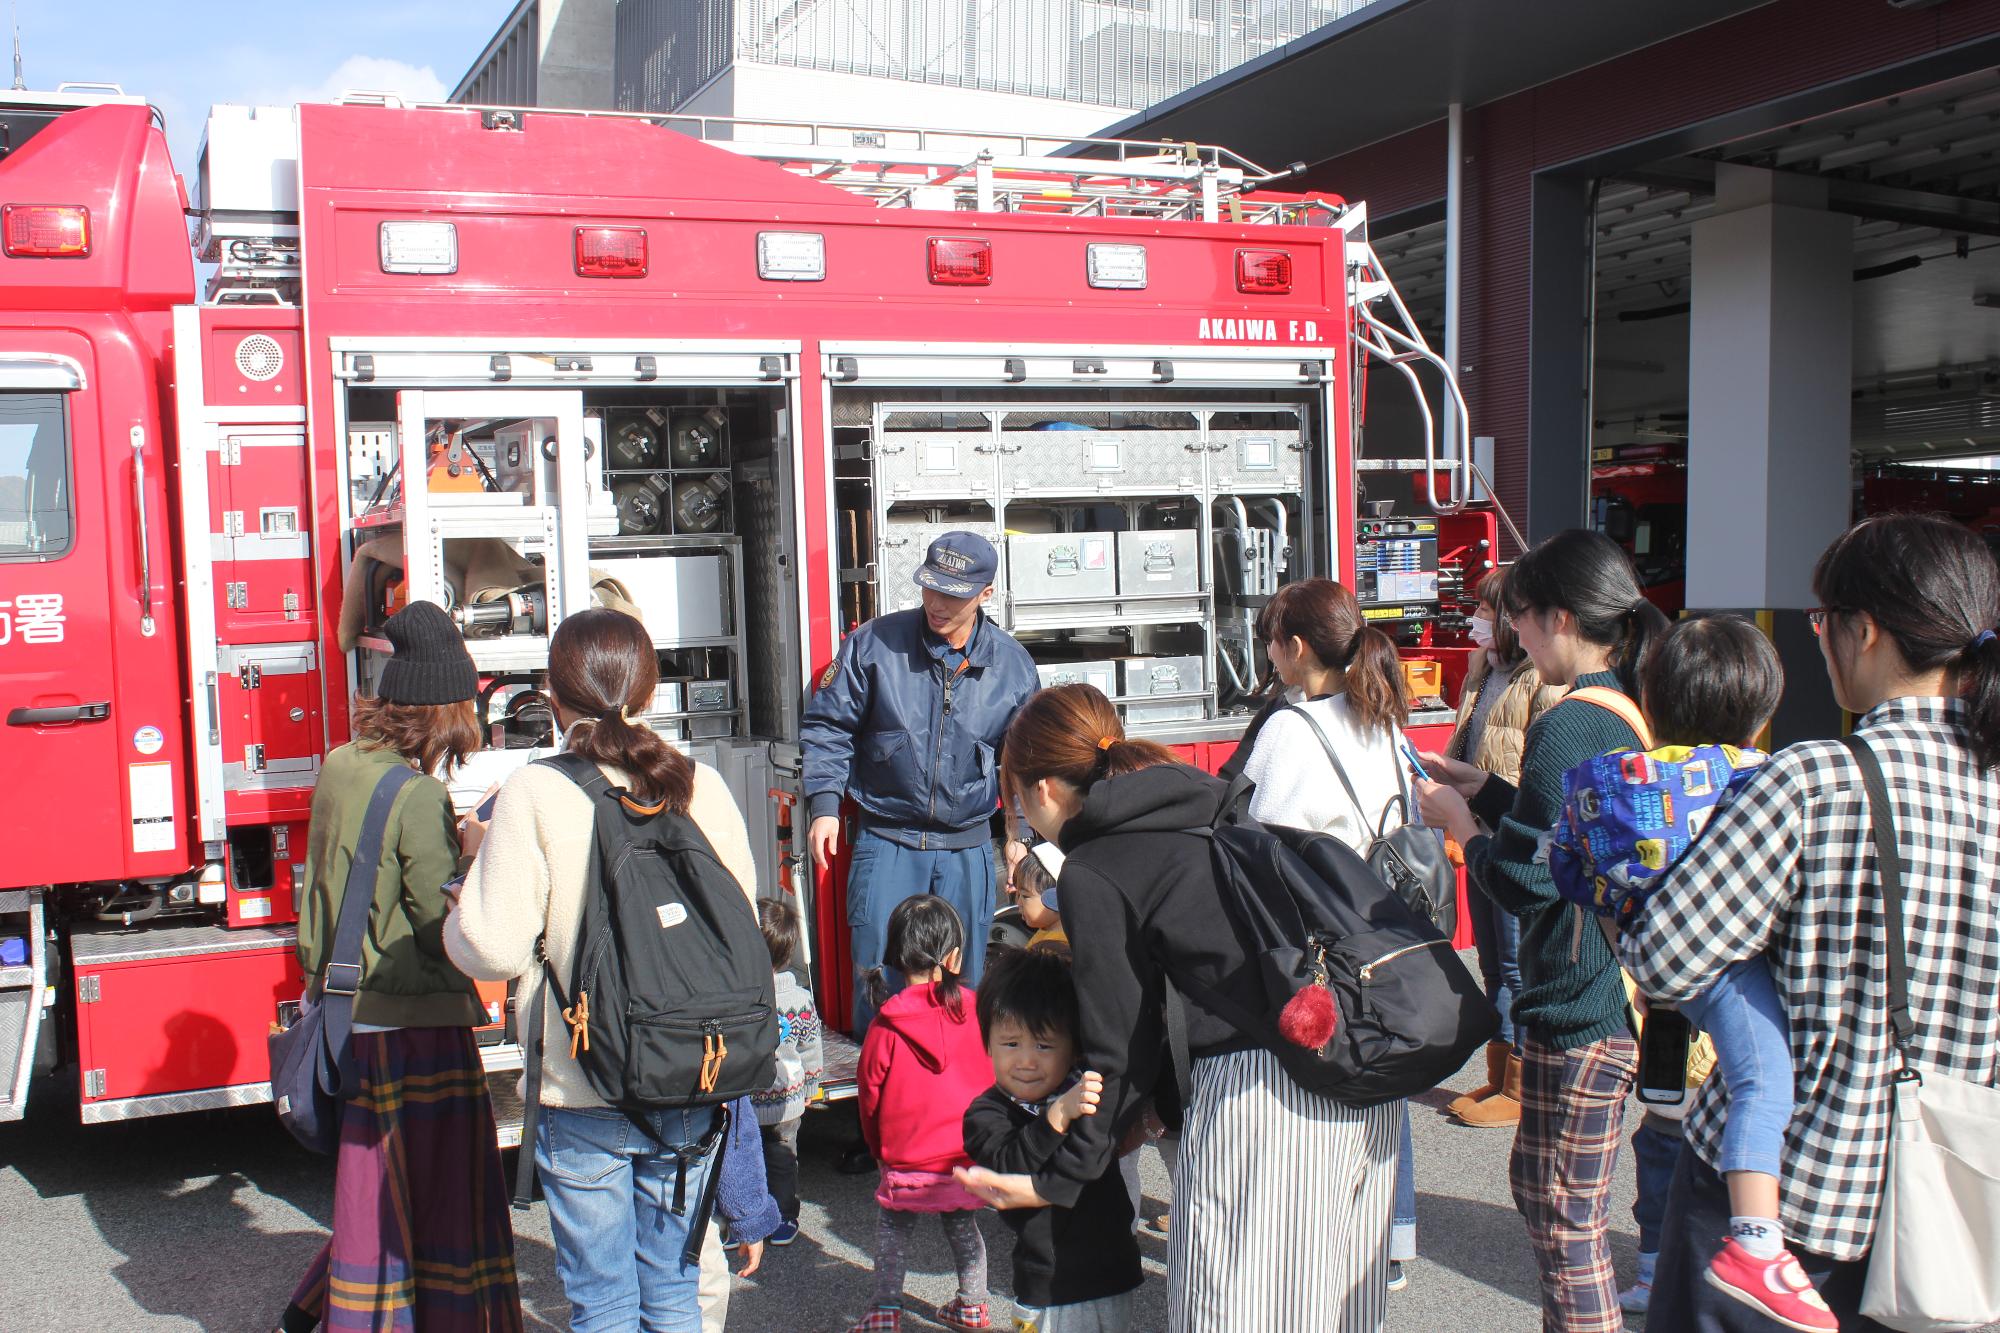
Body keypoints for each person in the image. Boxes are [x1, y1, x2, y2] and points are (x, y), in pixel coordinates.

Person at [1622, 513, 2000, 1329]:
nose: (1819, 638)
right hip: (1957, 1209)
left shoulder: (1817, 780)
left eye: (1822, 620)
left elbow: (1663, 954)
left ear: (1863, 631)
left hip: (1787, 1203)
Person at [958, 684, 1401, 1331]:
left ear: (1044, 790)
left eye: (1019, 803)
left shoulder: (1095, 866)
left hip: (1262, 1104)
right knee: (1334, 1314)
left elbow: (1119, 1047)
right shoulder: (1201, 805)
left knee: (1232, 1315)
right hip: (1348, 1072)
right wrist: (1158, 1111)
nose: (1025, 821)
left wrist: (1058, 1181)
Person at [444, 607, 762, 1333]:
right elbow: (741, 918)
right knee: (675, 1292)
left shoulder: (536, 791)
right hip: (690, 1069)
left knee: (605, 1303)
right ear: (650, 690)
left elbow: (493, 947)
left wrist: (453, 919)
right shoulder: (699, 784)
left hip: (584, 1080)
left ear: (553, 697)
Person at [1417, 528, 1669, 1333]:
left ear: (1558, 615)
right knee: (1549, 1194)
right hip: (1606, 995)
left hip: (1581, 1002)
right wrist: (1487, 789)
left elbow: (1529, 878)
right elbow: (1561, 835)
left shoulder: (1568, 720)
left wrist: (1462, 822)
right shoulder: (1619, 704)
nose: (1510, 632)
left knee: (1564, 1223)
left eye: (1518, 615)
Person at [1547, 615, 1827, 1328]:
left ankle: (1649, 1261)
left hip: (1654, 989)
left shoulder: (1615, 780)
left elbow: (1569, 868)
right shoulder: (1765, 780)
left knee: (1663, 1119)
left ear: (1654, 699)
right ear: (1763, 711)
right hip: (1733, 973)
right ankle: (1757, 1240)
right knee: (1760, 1083)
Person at [282, 601, 523, 1333]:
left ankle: (334, 1313)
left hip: (348, 1013)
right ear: (448, 707)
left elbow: (359, 873)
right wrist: (476, 860)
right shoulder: (417, 795)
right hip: (414, 1025)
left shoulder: (342, 764)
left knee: (375, 1198)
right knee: (446, 1197)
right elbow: (433, 929)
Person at [1236, 576, 1423, 1290]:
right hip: (1385, 924)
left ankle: (1328, 1236)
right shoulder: (1378, 710)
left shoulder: (1291, 726)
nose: (1270, 655)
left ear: (1298, 647)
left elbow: (1258, 836)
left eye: (1275, 641)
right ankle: (1392, 1234)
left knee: (1325, 1085)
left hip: (1322, 937)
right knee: (1385, 1077)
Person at [801, 531, 1040, 1041]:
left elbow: (1021, 762)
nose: (936, 604)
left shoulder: (1014, 666)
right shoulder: (873, 645)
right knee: (877, 976)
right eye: (930, 589)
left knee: (964, 980)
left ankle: (959, 1104)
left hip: (967, 847)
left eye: (952, 594)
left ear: (985, 593)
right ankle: (880, 1098)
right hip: (885, 839)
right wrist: (823, 804)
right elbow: (828, 727)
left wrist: (1021, 838)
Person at [1442, 566, 1564, 1129]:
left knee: (1518, 965)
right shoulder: (1478, 675)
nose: (1478, 622)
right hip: (1479, 835)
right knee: (1491, 961)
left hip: (1514, 839)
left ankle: (1522, 1085)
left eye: (1489, 612)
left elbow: (1540, 776)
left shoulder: (1540, 682)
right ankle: (1500, 1071)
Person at [963, 947, 1142, 1333]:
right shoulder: (986, 1114)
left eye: (1044, 1045)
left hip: (1112, 1273)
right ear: (988, 1044)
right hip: (1046, 1285)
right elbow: (1010, 1166)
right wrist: (1057, 1116)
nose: (1026, 1060)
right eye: (1011, 1044)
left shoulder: (1088, 1090)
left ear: (1074, 1048)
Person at [850, 894, 993, 1333]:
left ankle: (885, 1312)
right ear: (953, 957)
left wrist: (878, 1148)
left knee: (893, 1231)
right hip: (963, 1153)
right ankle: (972, 1307)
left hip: (905, 1154)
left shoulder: (886, 1024)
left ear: (895, 955)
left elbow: (869, 1094)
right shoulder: (975, 1012)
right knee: (965, 1230)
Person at [752, 897, 824, 1247]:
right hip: (789, 1098)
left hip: (748, 1098)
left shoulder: (742, 997)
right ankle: (784, 1218)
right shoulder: (800, 998)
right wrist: (813, 1087)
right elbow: (811, 1047)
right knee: (783, 1157)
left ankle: (744, 1220)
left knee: (745, 1157)